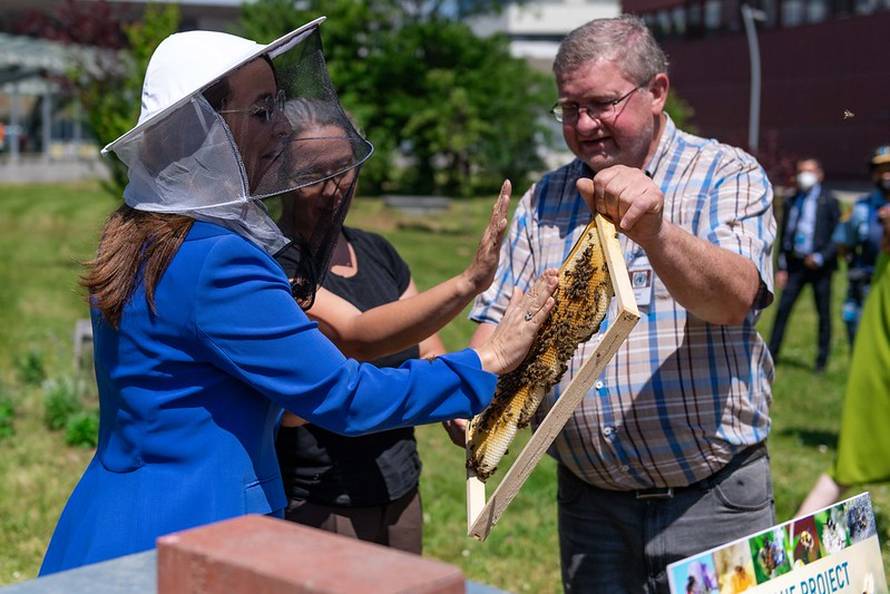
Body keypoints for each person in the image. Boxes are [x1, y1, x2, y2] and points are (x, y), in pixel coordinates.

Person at [39, 21, 558, 575]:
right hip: (196, 536)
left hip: (108, 526)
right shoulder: (219, 261)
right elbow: (345, 397)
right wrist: (486, 360)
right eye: (263, 110)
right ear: (206, 130)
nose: (282, 127)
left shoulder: (139, 235)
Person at [467, 15, 776, 593]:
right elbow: (495, 324)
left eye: (602, 104)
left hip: (711, 502)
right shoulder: (544, 199)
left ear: (656, 92)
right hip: (591, 509)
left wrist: (656, 232)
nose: (585, 125)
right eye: (569, 108)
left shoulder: (725, 173)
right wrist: (469, 395)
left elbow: (734, 300)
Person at [274, 99, 511, 553]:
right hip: (322, 500)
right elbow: (359, 335)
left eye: (344, 169)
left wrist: (453, 408)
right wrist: (469, 282)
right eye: (313, 175)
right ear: (280, 178)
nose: (333, 188)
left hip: (399, 488)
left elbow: (427, 349)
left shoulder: (377, 251)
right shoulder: (273, 266)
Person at [797, 181, 890, 516]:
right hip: (877, 356)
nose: (882, 212)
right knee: (849, 461)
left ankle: (798, 532)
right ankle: (797, 534)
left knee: (847, 465)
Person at [768, 158, 840, 372]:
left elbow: (838, 236)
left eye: (809, 171)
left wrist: (820, 257)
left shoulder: (829, 201)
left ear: (820, 175)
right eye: (801, 171)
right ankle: (771, 355)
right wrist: (781, 267)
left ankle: (821, 362)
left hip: (820, 267)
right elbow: (784, 236)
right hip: (795, 265)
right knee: (782, 310)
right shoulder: (792, 200)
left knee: (823, 314)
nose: (804, 176)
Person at [836, 145, 890, 346]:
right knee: (862, 341)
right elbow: (843, 245)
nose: (886, 175)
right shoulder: (860, 209)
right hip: (867, 286)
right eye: (881, 170)